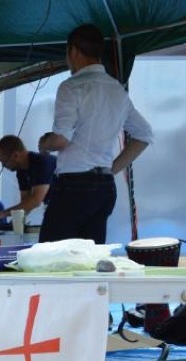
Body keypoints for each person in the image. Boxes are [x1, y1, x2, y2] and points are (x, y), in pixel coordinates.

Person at [38, 24, 153, 244]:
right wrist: (111, 168)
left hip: (74, 185)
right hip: (104, 189)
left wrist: (45, 143)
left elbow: (61, 139)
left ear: (73, 51)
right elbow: (144, 135)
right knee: (89, 260)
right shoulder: (117, 89)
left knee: (50, 256)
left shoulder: (72, 87)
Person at [0, 135, 57, 225]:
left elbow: (35, 200)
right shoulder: (21, 172)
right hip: (54, 206)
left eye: (4, 162)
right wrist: (16, 222)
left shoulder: (41, 163)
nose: (4, 166)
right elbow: (26, 203)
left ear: (15, 155)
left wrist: (2, 214)